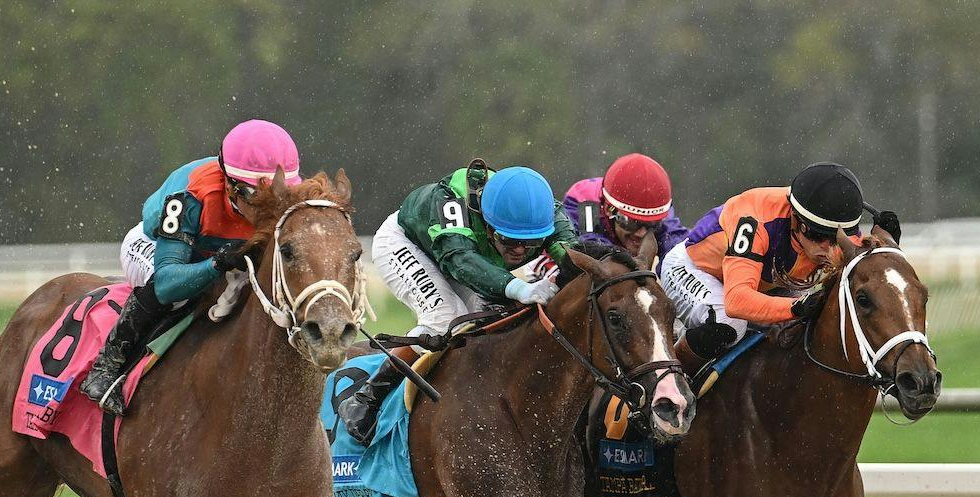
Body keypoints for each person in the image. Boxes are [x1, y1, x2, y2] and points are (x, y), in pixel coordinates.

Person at [337, 162, 579, 445]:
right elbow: (460, 261)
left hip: (467, 254)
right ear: (486, 220)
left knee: (496, 320)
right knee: (444, 319)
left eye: (531, 243)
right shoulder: (452, 203)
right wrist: (518, 287)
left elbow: (575, 257)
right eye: (508, 239)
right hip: (409, 244)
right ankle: (367, 397)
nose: (519, 251)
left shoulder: (545, 211)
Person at [81, 119, 302, 415]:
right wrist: (217, 263)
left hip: (212, 252)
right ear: (229, 184)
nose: (269, 208)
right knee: (181, 295)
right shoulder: (191, 194)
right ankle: (106, 367)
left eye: (278, 194)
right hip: (155, 247)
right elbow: (168, 281)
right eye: (257, 197)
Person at [658, 162, 902, 371]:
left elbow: (875, 275)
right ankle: (669, 384)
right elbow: (736, 301)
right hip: (693, 270)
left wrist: (888, 244)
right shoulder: (754, 219)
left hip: (765, 284)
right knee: (729, 324)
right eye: (818, 236)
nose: (827, 250)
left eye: (837, 238)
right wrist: (796, 307)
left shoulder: (830, 229)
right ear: (796, 219)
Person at [562, 153, 687, 266]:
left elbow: (676, 247)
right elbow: (593, 251)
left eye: (651, 224)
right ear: (608, 209)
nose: (641, 233)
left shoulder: (659, 209)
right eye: (631, 222)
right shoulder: (586, 202)